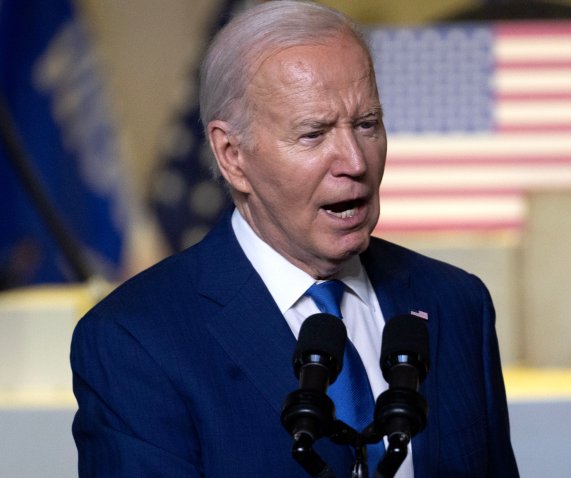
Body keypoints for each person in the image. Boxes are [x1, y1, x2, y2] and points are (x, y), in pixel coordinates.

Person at [70, 1, 519, 476]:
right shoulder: (136, 341)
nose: (354, 161)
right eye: (313, 134)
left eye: (367, 125)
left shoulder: (456, 304)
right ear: (232, 156)